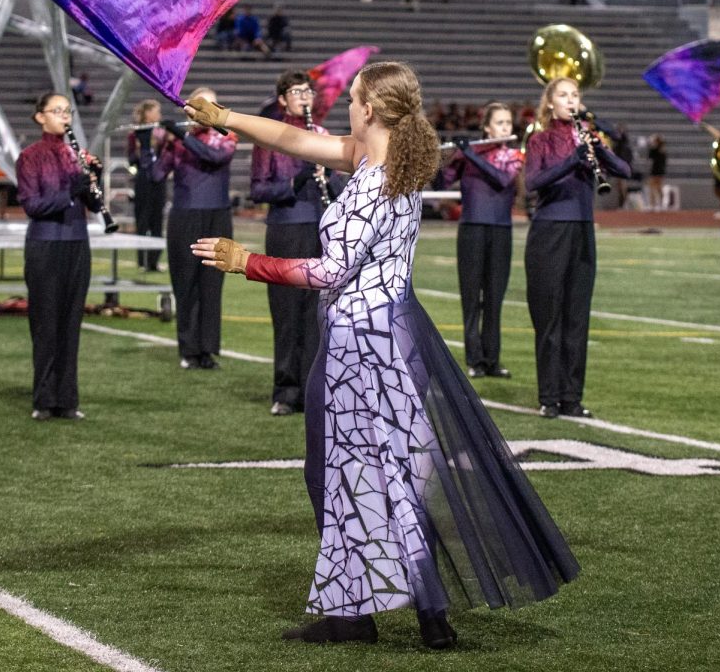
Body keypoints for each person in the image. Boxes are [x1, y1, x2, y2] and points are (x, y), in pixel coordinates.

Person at [187, 63, 578, 648]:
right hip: (389, 334)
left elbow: (330, 270)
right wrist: (229, 119)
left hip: (358, 343)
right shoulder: (383, 161)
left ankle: (361, 614)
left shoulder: (376, 179)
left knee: (340, 475)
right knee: (394, 472)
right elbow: (294, 139)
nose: (345, 107)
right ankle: (424, 614)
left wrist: (246, 262)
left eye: (351, 99)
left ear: (369, 108)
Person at [523, 77, 630, 418]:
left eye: (575, 95)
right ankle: (549, 396)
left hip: (583, 230)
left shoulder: (590, 136)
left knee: (577, 316)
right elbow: (532, 183)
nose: (570, 101)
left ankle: (572, 397)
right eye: (563, 96)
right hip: (549, 230)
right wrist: (571, 160)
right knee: (550, 315)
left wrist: (598, 151)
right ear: (550, 103)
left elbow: (625, 170)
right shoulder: (540, 139)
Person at [250, 72, 341, 415]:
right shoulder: (271, 137)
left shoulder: (321, 135)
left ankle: (313, 389)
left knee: (316, 313)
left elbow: (338, 189)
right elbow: (259, 190)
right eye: (296, 91)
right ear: (283, 99)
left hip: (319, 227)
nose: (304, 96)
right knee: (287, 311)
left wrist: (326, 175)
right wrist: (300, 176)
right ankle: (286, 391)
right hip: (286, 229)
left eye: (308, 91)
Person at [16, 93, 99, 419]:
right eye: (57, 111)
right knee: (46, 323)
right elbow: (32, 205)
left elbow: (92, 205)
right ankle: (44, 400)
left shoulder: (76, 155)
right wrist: (70, 192)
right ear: (40, 117)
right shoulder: (30, 156)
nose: (65, 117)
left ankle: (68, 400)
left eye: (68, 111)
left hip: (77, 244)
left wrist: (93, 182)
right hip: (45, 245)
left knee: (71, 324)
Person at [149, 88, 237, 369]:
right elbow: (156, 175)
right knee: (185, 284)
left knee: (212, 285)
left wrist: (181, 136)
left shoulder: (225, 134)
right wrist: (156, 143)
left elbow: (215, 158)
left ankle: (207, 350)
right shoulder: (177, 141)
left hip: (217, 217)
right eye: (200, 105)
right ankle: (188, 349)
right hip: (184, 217)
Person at [441, 102, 523, 379]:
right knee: (471, 298)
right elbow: (441, 182)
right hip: (472, 230)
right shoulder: (468, 155)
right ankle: (475, 359)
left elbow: (502, 179)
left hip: (501, 231)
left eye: (508, 123)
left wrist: (470, 155)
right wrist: (450, 155)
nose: (505, 128)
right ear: (487, 127)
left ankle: (493, 359)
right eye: (499, 123)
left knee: (494, 298)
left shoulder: (513, 155)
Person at [127, 100, 167, 271]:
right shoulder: (135, 133)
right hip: (143, 180)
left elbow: (166, 154)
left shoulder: (162, 132)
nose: (159, 115)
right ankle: (142, 261)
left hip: (158, 180)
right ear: (148, 113)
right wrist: (139, 151)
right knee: (142, 220)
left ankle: (153, 261)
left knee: (157, 221)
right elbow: (131, 159)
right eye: (156, 111)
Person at [646, 134, 667, 209]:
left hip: (659, 170)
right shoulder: (657, 149)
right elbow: (650, 156)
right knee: (652, 188)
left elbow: (661, 159)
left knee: (658, 188)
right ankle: (653, 204)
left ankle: (660, 203)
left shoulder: (661, 150)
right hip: (655, 170)